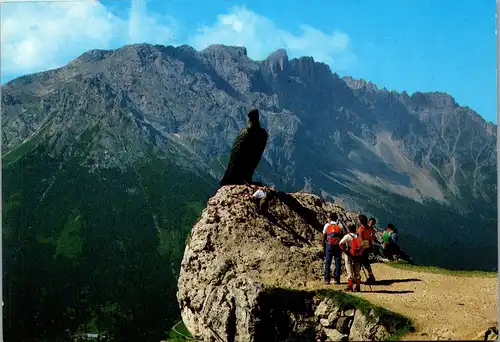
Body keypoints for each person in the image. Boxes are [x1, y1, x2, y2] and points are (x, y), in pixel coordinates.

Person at [322, 213, 345, 285]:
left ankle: (327, 279)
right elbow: (342, 236)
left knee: (328, 262)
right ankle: (337, 279)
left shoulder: (327, 225)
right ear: (336, 218)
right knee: (337, 262)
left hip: (329, 245)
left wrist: (323, 244)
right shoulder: (340, 226)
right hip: (337, 246)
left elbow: (323, 236)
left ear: (330, 218)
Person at [339, 224, 363, 292]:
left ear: (348, 229)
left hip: (349, 255)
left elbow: (340, 243)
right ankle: (358, 287)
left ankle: (350, 287)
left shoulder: (348, 236)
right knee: (357, 272)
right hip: (358, 256)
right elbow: (361, 246)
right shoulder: (359, 235)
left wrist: (344, 251)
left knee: (350, 272)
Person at [357, 214, 376, 284]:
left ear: (361, 221)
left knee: (359, 262)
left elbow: (360, 240)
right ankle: (371, 275)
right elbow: (371, 236)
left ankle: (356, 277)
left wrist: (359, 249)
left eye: (358, 219)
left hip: (362, 247)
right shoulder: (368, 228)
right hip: (367, 246)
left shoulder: (360, 229)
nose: (358, 221)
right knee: (366, 262)